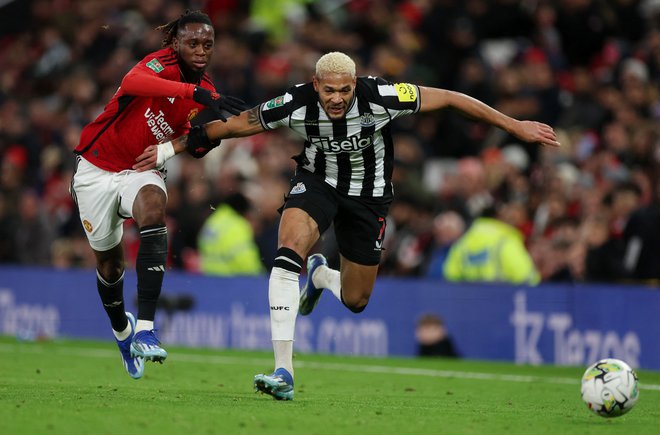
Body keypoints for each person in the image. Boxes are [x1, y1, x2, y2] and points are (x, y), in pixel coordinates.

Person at [134, 51, 559, 398]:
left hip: (369, 198)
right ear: (315, 85)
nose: (337, 99)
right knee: (286, 255)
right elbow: (237, 123)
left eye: (345, 90)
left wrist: (513, 125)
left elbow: (449, 97)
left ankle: (320, 276)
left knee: (357, 300)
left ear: (356, 84)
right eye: (329, 90)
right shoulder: (295, 103)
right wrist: (170, 150)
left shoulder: (384, 95)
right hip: (316, 183)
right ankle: (284, 371)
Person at [70, 10, 244, 380]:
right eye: (192, 43)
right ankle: (123, 331)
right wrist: (192, 91)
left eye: (207, 44)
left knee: (153, 208)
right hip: (96, 170)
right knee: (110, 266)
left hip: (141, 168)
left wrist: (199, 143)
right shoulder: (160, 64)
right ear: (175, 44)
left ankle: (147, 328)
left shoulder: (206, 92)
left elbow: (182, 130)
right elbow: (132, 81)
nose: (200, 50)